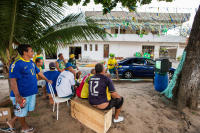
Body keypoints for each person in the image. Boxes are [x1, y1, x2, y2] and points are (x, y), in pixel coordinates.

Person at [8, 44, 52, 133]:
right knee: (21, 112)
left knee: (25, 111)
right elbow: (13, 81)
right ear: (25, 52)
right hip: (21, 94)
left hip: (31, 92)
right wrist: (17, 96)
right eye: (31, 51)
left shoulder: (31, 62)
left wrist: (47, 80)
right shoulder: (16, 64)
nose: (33, 52)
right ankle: (24, 128)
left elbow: (39, 72)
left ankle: (11, 121)